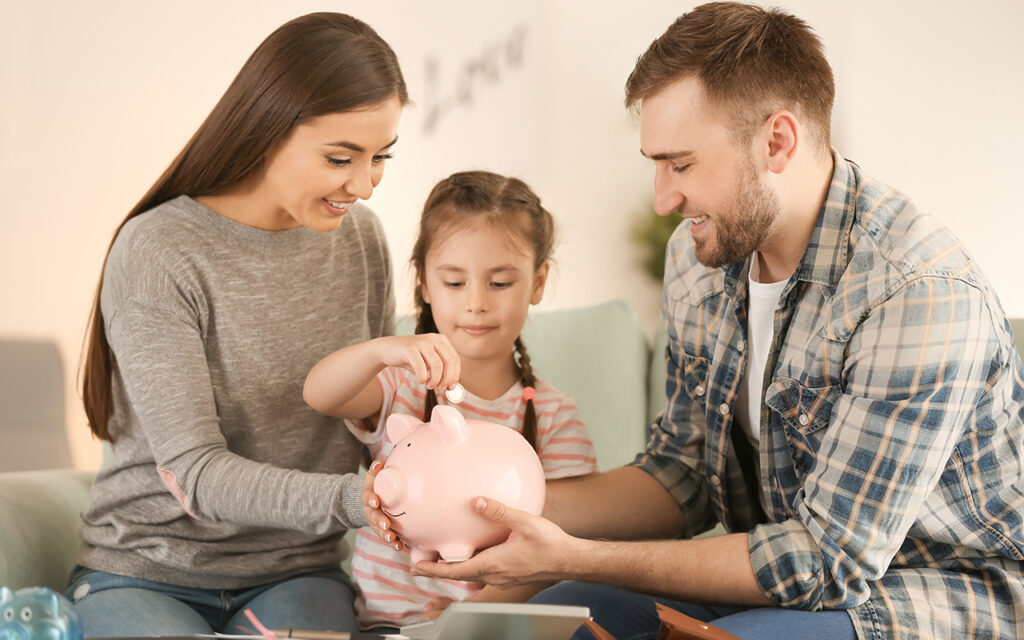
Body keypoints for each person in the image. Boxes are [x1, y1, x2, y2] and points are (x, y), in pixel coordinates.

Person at [405, 3, 1024, 639]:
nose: (662, 199)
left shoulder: (916, 293)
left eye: (681, 164)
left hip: (928, 593)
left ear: (776, 141)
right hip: (775, 581)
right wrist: (475, 500)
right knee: (532, 627)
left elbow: (826, 565)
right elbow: (680, 474)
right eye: (655, 163)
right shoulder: (697, 259)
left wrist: (573, 554)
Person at [71, 13, 408, 637]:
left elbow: (375, 422)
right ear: (267, 129)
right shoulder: (160, 251)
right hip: (147, 571)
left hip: (297, 572)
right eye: (341, 157)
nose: (363, 185)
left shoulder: (362, 241)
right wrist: (350, 501)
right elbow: (195, 472)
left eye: (380, 157)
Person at [303, 170, 598, 631]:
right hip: (379, 623)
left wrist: (481, 611)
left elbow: (561, 544)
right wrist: (383, 349)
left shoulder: (552, 413)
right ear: (423, 282)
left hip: (485, 628)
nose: (476, 303)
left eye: (500, 283)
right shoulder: (401, 384)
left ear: (537, 283)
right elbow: (319, 394)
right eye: (455, 283)